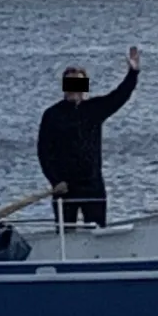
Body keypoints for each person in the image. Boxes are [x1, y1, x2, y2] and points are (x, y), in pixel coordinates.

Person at [37, 46, 141, 228]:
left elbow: (119, 96)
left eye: (78, 84)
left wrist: (133, 73)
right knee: (65, 234)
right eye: (70, 84)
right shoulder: (52, 115)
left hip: (92, 185)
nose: (73, 90)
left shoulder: (94, 109)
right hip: (65, 187)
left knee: (97, 231)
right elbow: (44, 152)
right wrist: (55, 180)